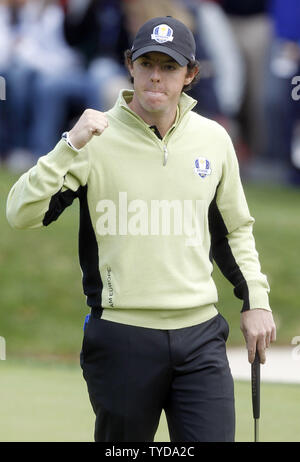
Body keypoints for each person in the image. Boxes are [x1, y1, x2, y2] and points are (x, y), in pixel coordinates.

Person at [6, 16, 276, 442]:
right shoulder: (92, 138)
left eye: (169, 67)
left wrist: (256, 301)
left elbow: (235, 230)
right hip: (121, 337)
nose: (156, 76)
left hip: (201, 335)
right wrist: (69, 144)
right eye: (146, 62)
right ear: (129, 65)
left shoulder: (214, 139)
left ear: (191, 75)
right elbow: (21, 213)